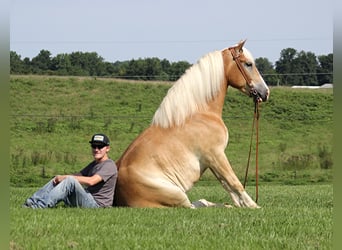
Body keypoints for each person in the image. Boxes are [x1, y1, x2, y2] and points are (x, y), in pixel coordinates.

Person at [23, 133, 118, 208]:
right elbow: (79, 175)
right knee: (59, 179)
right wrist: (60, 178)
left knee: (69, 180)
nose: (96, 149)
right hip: (86, 199)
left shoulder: (109, 165)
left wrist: (66, 178)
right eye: (94, 146)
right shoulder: (94, 164)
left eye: (100, 146)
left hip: (97, 205)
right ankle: (30, 202)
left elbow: (91, 181)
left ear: (107, 148)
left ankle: (39, 206)